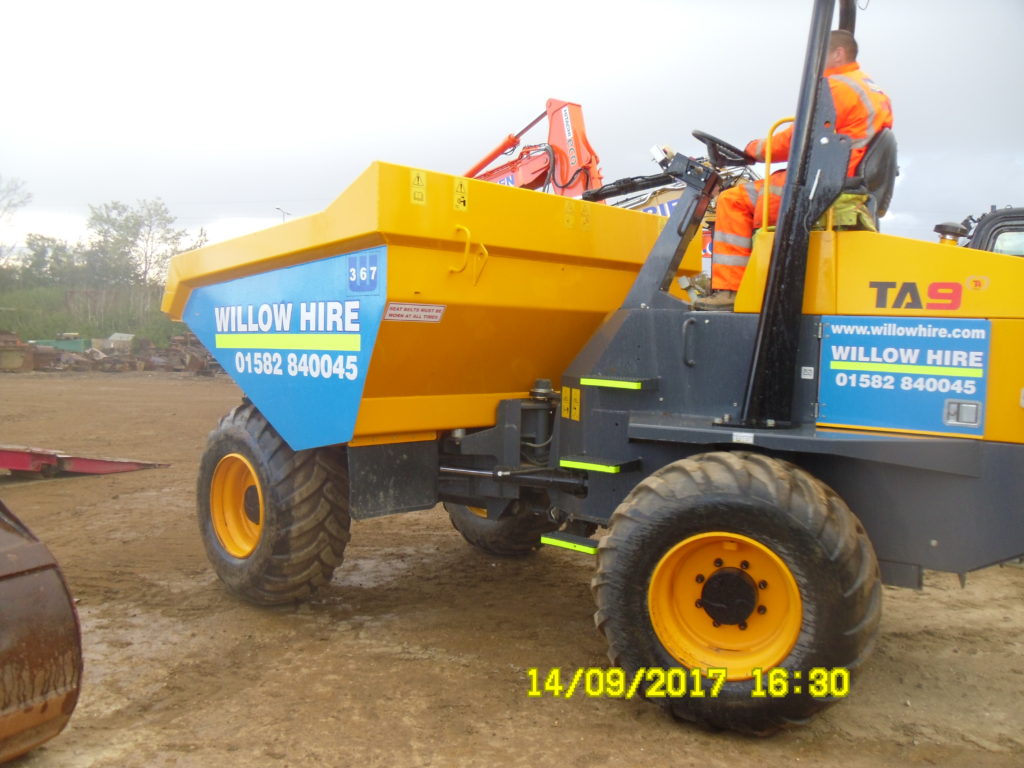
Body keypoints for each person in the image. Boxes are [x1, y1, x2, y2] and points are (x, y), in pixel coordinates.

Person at [697, 29, 894, 310]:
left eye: (820, 55)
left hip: (822, 184)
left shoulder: (838, 88)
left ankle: (729, 293)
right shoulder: (871, 90)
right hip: (842, 178)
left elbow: (795, 139)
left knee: (733, 200)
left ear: (838, 53)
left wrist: (752, 150)